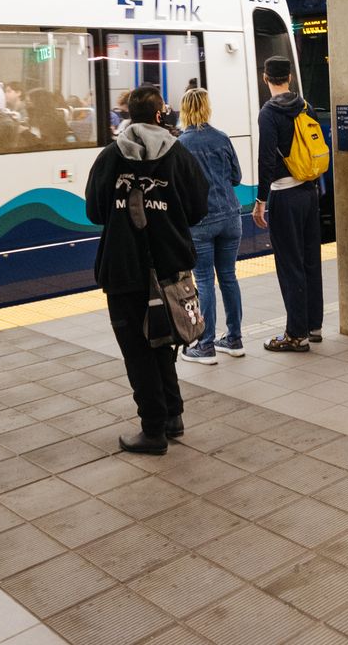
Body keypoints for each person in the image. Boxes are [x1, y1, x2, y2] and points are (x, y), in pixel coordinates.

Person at [84, 86, 207, 455]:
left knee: (138, 351)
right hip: (171, 267)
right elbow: (198, 207)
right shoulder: (180, 155)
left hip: (124, 270)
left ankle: (153, 430)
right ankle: (172, 416)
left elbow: (94, 211)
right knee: (164, 343)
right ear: (159, 115)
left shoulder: (109, 157)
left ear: (128, 116)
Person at [254, 56, 322, 351]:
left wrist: (260, 201)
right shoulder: (305, 106)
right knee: (310, 260)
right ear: (290, 78)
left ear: (265, 78)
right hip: (309, 192)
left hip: (284, 194)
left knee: (289, 264)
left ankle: (296, 334)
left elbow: (266, 159)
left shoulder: (268, 113)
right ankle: (314, 325)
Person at [174, 87, 244, 364]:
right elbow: (237, 177)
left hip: (200, 222)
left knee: (204, 281)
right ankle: (235, 339)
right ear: (208, 107)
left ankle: (205, 345)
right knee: (228, 276)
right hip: (231, 216)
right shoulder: (222, 138)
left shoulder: (180, 144)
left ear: (184, 110)